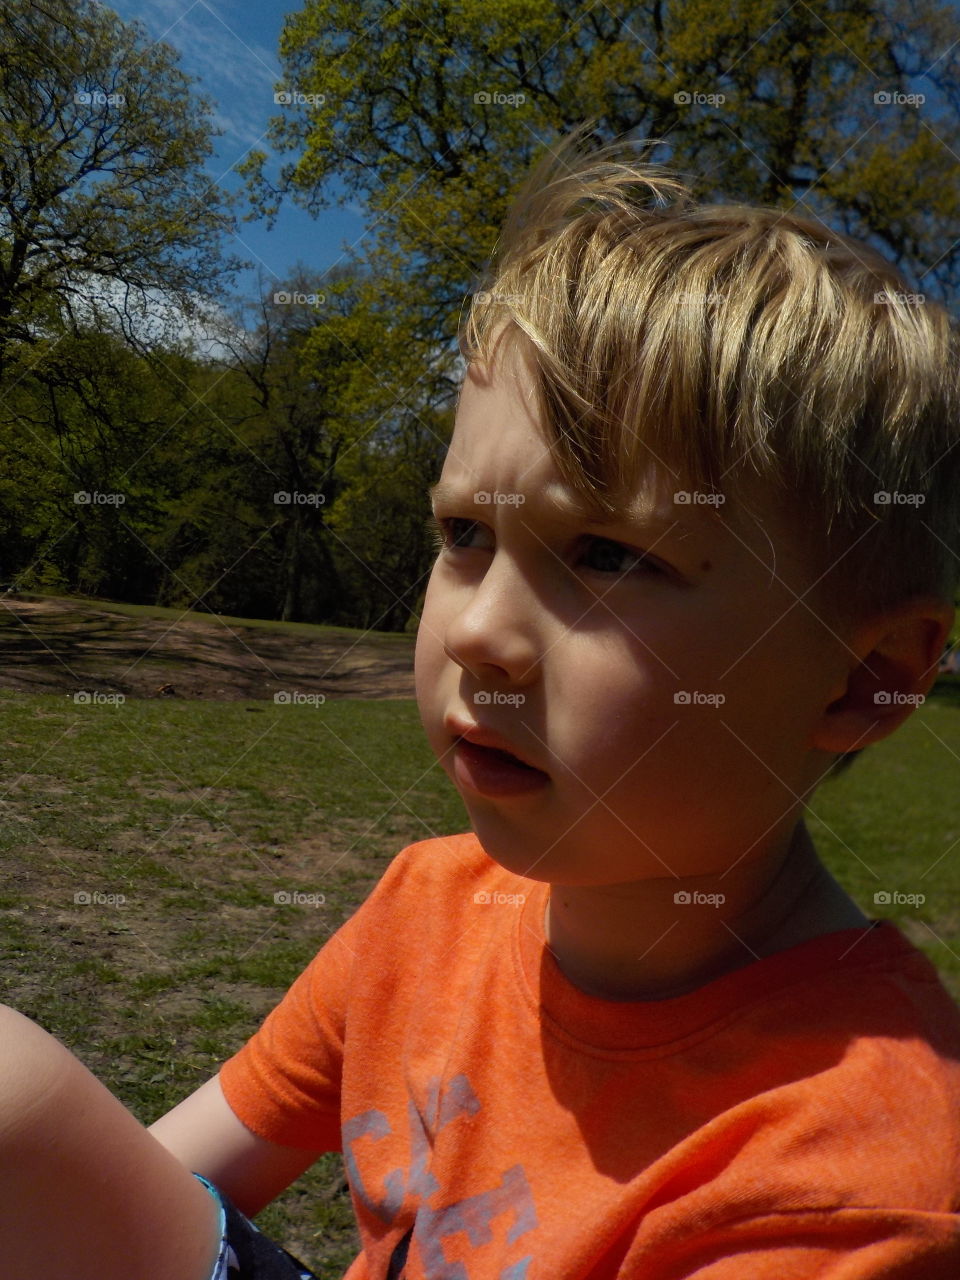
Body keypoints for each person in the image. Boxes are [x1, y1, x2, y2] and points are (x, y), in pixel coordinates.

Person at [4, 124, 960, 1278]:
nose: (477, 630)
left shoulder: (861, 1178)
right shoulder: (426, 913)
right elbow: (159, 1186)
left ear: (872, 675)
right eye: (464, 533)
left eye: (608, 554)